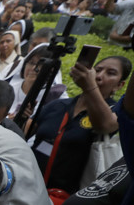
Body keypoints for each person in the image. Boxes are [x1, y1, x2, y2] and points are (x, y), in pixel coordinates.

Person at [30, 56, 130, 195]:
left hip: (69, 199)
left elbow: (106, 126)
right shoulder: (58, 106)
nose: (100, 76)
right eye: (98, 70)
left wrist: (89, 85)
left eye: (111, 73)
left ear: (120, 85)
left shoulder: (114, 113)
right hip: (29, 188)